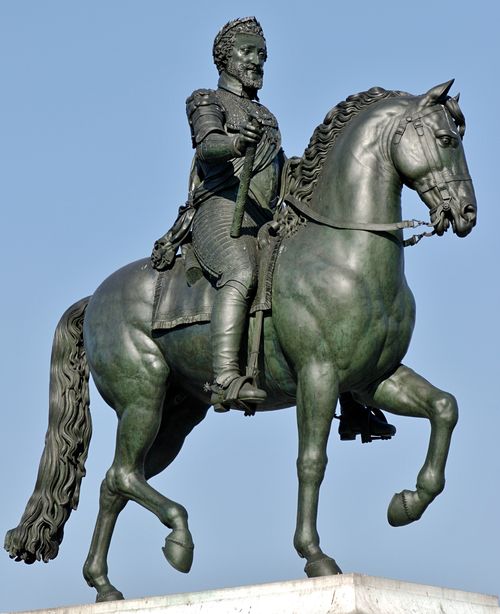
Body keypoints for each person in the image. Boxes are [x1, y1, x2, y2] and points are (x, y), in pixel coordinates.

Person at [152, 17, 396, 440]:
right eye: (247, 52)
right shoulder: (205, 99)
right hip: (221, 213)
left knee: (321, 289)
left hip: (265, 222)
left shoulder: (266, 115)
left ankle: (354, 401)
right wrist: (235, 142)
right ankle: (226, 377)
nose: (257, 61)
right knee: (240, 272)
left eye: (262, 54)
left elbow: (276, 176)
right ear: (225, 57)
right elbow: (208, 146)